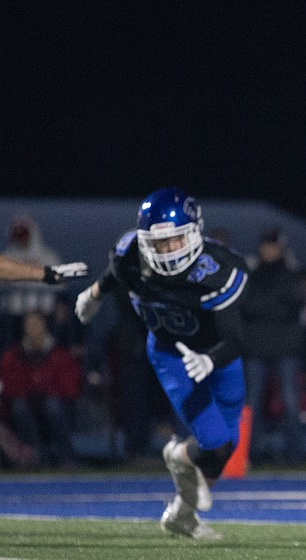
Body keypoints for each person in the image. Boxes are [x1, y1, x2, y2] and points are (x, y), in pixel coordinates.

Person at [75, 187, 248, 540]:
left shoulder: (217, 270)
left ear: (195, 232)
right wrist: (93, 294)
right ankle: (180, 454)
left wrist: (211, 359)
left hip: (218, 354)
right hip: (170, 352)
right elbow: (114, 274)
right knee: (213, 438)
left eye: (175, 240)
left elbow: (234, 340)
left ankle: (182, 515)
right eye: (159, 243)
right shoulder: (131, 254)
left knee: (226, 446)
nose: (166, 250)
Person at [241, 229, 306, 465]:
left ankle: (295, 454)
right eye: (265, 246)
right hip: (257, 347)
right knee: (252, 403)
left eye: (273, 246)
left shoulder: (291, 275)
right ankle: (250, 453)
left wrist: (266, 306)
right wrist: (273, 306)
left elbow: (292, 306)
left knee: (291, 402)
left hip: (285, 347)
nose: (269, 251)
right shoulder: (252, 274)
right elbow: (247, 306)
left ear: (281, 249)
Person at [0, 310, 82, 469]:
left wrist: (46, 391)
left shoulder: (59, 354)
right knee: (19, 407)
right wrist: (31, 392)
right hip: (27, 404)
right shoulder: (14, 355)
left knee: (53, 407)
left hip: (56, 404)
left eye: (36, 324)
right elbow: (9, 386)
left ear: (45, 326)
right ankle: (36, 456)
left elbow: (70, 387)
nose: (33, 329)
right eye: (29, 325)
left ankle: (67, 457)